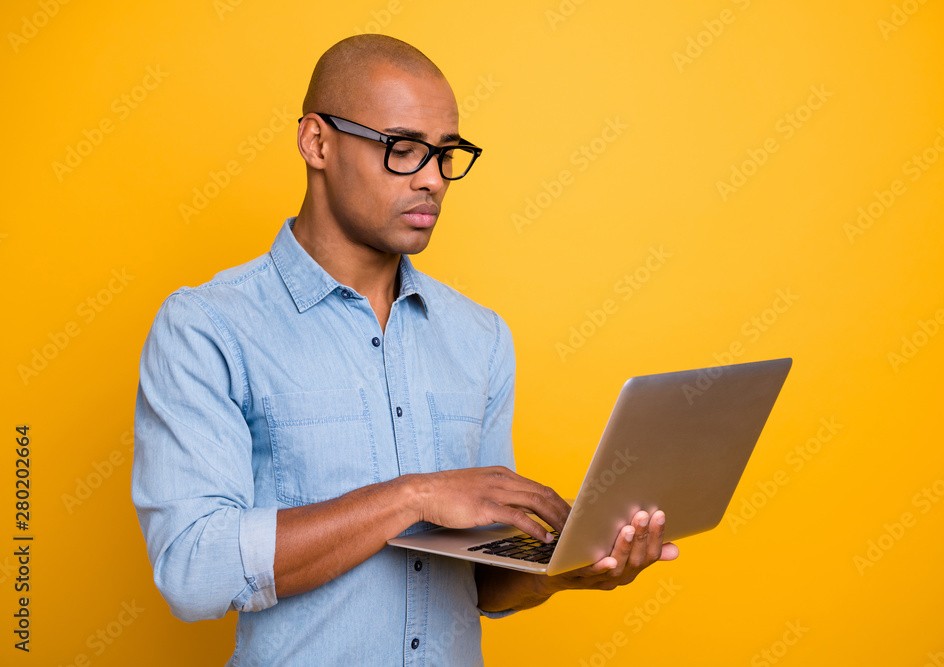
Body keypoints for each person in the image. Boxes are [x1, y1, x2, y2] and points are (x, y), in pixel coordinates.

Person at [132, 34, 678, 665]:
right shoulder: (206, 327)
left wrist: (562, 573)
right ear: (317, 143)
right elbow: (192, 570)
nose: (432, 180)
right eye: (403, 149)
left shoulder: (480, 336)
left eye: (446, 154)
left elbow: (479, 581)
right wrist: (412, 496)